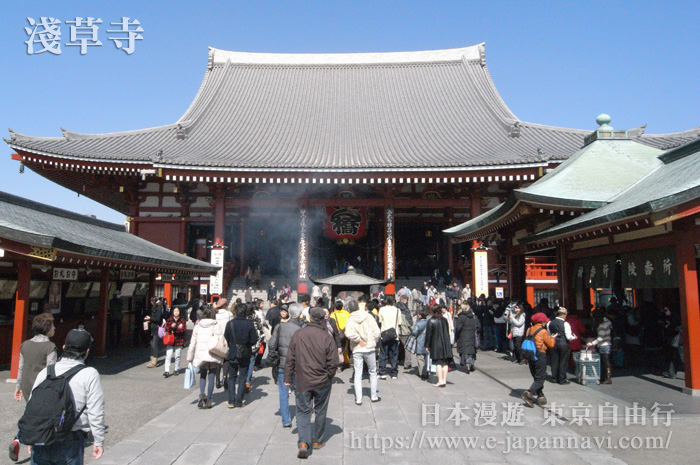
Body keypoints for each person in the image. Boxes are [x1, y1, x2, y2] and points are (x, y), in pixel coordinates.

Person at [29, 329, 105, 464]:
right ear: (87, 351)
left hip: (41, 436)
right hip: (70, 438)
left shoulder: (47, 371)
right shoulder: (89, 374)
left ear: (64, 347)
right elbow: (95, 410)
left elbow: (32, 404)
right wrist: (98, 440)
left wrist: (31, 434)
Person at [285, 308, 338, 459]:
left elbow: (290, 358)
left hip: (302, 379)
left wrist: (288, 377)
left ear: (309, 318)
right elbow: (333, 362)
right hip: (322, 380)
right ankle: (318, 441)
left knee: (302, 411)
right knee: (320, 409)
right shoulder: (326, 337)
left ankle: (303, 442)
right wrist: (329, 376)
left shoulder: (299, 334)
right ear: (322, 320)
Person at [10, 313, 57, 462]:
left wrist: (18, 386)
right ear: (47, 328)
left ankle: (19, 440)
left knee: (30, 414)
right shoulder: (50, 346)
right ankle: (32, 443)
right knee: (40, 419)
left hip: (26, 385)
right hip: (42, 387)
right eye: (52, 325)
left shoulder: (25, 344)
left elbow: (21, 367)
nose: (54, 328)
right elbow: (52, 370)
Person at [268, 303, 304, 425]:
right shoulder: (300, 329)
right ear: (299, 315)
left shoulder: (279, 326)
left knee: (283, 394)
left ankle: (286, 421)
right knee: (299, 393)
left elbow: (271, 344)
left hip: (282, 364)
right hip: (297, 365)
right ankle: (300, 419)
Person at [344, 297, 381, 405]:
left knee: (358, 374)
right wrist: (372, 340)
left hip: (357, 349)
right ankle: (373, 396)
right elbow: (377, 332)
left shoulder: (350, 319)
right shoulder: (368, 316)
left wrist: (358, 340)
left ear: (349, 310)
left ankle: (358, 398)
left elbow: (348, 333)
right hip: (369, 348)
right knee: (373, 372)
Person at [186, 305, 224, 409]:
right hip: (212, 354)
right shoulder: (216, 325)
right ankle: (209, 399)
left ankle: (202, 396)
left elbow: (192, 343)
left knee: (203, 376)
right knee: (211, 376)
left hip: (200, 355)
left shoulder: (198, 326)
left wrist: (190, 357)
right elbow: (220, 340)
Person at [224, 303, 259, 408]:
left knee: (232, 377)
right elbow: (254, 339)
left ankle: (231, 401)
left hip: (233, 351)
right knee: (242, 377)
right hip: (245, 352)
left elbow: (226, 337)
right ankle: (239, 401)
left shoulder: (230, 323)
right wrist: (247, 344)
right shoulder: (249, 324)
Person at [521, 313, 557, 407]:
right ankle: (529, 393)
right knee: (540, 377)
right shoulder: (543, 331)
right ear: (542, 321)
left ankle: (540, 396)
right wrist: (553, 338)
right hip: (540, 354)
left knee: (536, 376)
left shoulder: (529, 330)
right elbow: (551, 345)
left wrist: (526, 358)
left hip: (530, 354)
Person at [424, 305, 452, 387]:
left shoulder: (431, 321)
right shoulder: (444, 320)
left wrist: (427, 345)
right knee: (445, 363)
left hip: (436, 344)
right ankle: (444, 380)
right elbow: (447, 331)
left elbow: (428, 335)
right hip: (445, 343)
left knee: (438, 363)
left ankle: (440, 380)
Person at [547, 307, 577, 384]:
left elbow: (549, 335)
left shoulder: (550, 323)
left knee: (554, 361)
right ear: (563, 315)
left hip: (553, 344)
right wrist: (574, 337)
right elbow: (568, 336)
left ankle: (554, 378)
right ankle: (562, 379)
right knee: (563, 362)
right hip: (563, 344)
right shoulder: (565, 324)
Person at [587, 309, 613, 384]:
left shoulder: (602, 325)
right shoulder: (608, 322)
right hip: (608, 343)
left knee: (605, 362)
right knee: (606, 362)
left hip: (604, 345)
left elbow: (601, 337)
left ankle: (607, 378)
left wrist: (592, 343)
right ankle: (606, 377)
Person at [378, 295, 401, 380]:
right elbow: (399, 323)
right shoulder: (398, 310)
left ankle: (382, 372)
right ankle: (394, 373)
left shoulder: (382, 310)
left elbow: (380, 321)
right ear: (394, 302)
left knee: (383, 354)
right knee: (394, 354)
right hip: (395, 335)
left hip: (384, 334)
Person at [454, 302, 479, 373]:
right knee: (471, 351)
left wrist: (456, 336)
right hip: (472, 336)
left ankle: (466, 363)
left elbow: (458, 328)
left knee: (464, 351)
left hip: (463, 336)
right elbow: (478, 326)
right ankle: (470, 363)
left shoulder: (461, 317)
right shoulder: (473, 316)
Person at [163, 307, 187, 378]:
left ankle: (176, 369)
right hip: (170, 340)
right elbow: (166, 328)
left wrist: (175, 328)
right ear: (172, 312)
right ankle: (167, 371)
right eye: (175, 311)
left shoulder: (182, 320)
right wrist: (171, 327)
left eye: (177, 311)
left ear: (179, 312)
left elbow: (183, 330)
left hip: (179, 339)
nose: (176, 312)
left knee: (177, 356)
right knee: (168, 356)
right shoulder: (169, 319)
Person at [144, 296, 164, 368]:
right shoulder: (155, 307)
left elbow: (158, 319)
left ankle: (154, 360)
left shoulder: (158, 308)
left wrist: (150, 318)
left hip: (156, 328)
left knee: (154, 344)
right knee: (152, 343)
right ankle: (152, 358)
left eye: (151, 301)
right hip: (152, 327)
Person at [330, 300, 351, 368]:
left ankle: (335, 363)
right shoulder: (345, 315)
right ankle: (342, 363)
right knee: (343, 348)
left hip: (334, 334)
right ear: (342, 307)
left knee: (334, 348)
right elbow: (348, 325)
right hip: (343, 335)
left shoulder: (332, 315)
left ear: (335, 307)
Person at [396, 295, 414, 369]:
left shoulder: (395, 308)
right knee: (407, 347)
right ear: (405, 300)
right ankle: (407, 363)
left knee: (399, 346)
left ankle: (399, 359)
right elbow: (410, 323)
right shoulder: (406, 310)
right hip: (405, 331)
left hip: (396, 330)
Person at [411, 309, 430, 380]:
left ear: (420, 315)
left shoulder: (418, 323)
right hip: (427, 342)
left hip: (420, 342)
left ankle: (421, 372)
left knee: (420, 358)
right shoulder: (429, 322)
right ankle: (426, 371)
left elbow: (414, 332)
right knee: (426, 357)